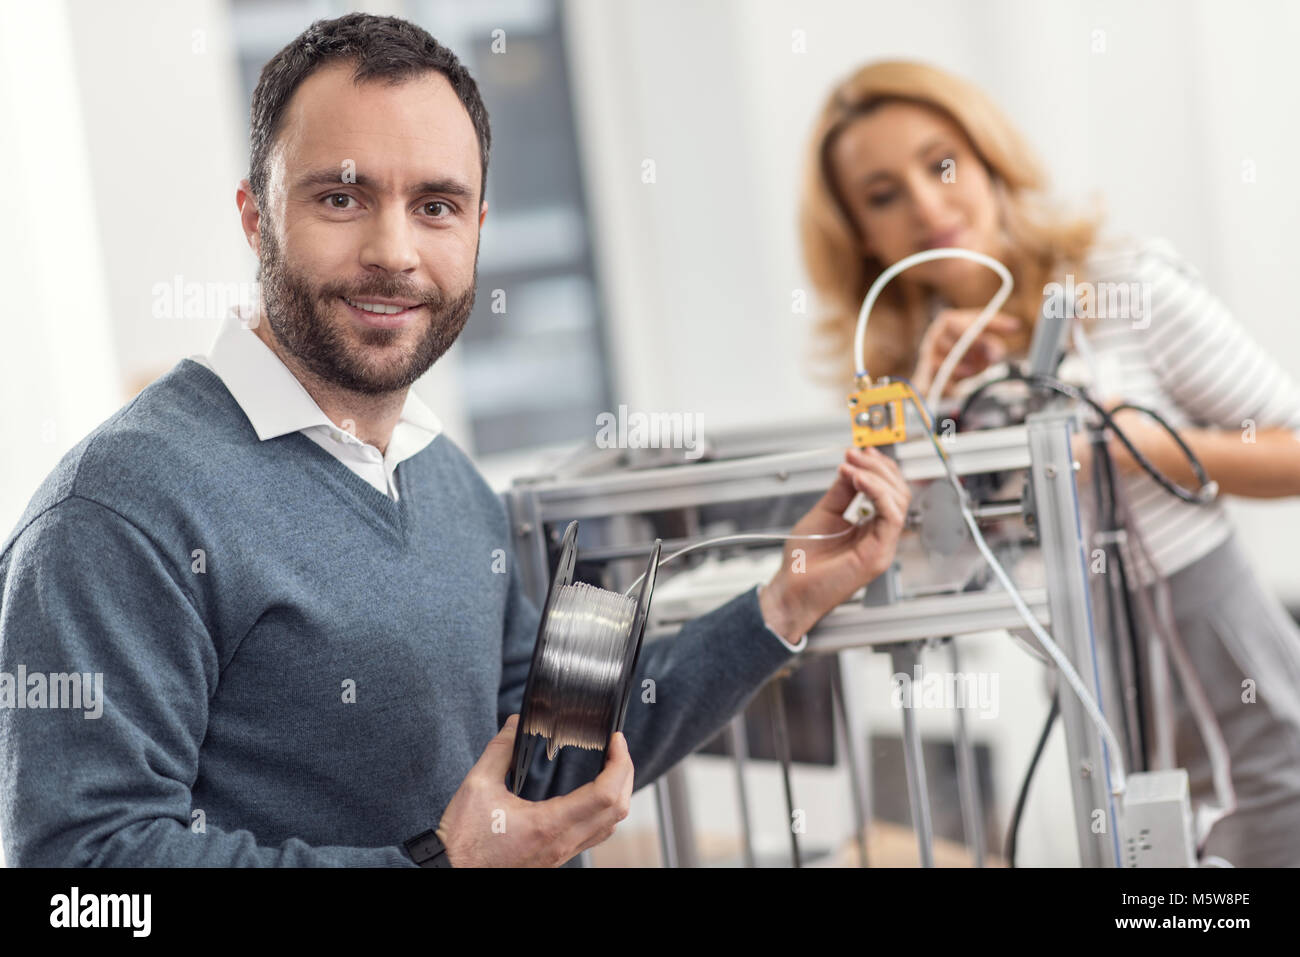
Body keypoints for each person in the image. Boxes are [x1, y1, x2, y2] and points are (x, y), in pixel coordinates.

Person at [0, 14, 910, 869]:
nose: (394, 250)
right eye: (343, 196)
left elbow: (553, 754)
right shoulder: (119, 510)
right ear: (254, 216)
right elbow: (82, 883)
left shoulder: (445, 483)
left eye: (436, 205)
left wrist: (789, 597)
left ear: (478, 230)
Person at [799, 59, 1300, 866]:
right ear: (862, 233)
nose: (929, 204)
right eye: (884, 194)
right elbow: (884, 563)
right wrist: (923, 416)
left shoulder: (1123, 288)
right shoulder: (897, 380)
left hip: (1245, 700)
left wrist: (1137, 450)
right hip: (1095, 717)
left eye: (943, 164)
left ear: (992, 159)